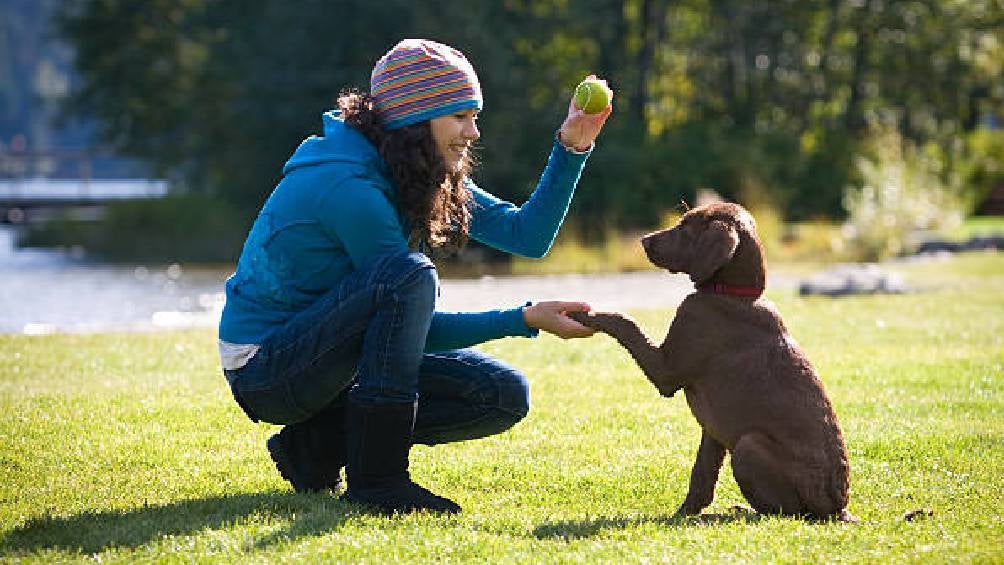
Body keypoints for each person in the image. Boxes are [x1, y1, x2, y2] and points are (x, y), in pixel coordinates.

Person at [218, 39, 612, 514]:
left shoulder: (412, 167)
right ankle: (378, 482)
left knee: (500, 395)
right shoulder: (351, 187)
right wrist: (523, 318)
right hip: (267, 368)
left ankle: (316, 446)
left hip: (328, 359)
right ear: (415, 120)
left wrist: (574, 145)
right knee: (408, 277)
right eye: (460, 116)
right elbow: (414, 324)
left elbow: (526, 236)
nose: (474, 131)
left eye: (474, 115)